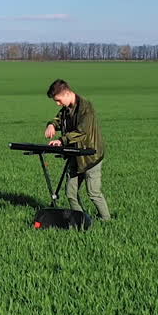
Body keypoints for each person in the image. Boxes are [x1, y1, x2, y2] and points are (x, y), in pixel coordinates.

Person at [45, 79, 112, 221]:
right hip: (75, 155)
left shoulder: (85, 108)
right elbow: (59, 118)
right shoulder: (67, 108)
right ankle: (82, 219)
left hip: (90, 156)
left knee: (93, 192)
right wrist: (51, 124)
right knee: (71, 193)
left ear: (67, 93)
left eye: (58, 100)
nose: (58, 104)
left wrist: (62, 140)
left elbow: (82, 132)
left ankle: (106, 220)